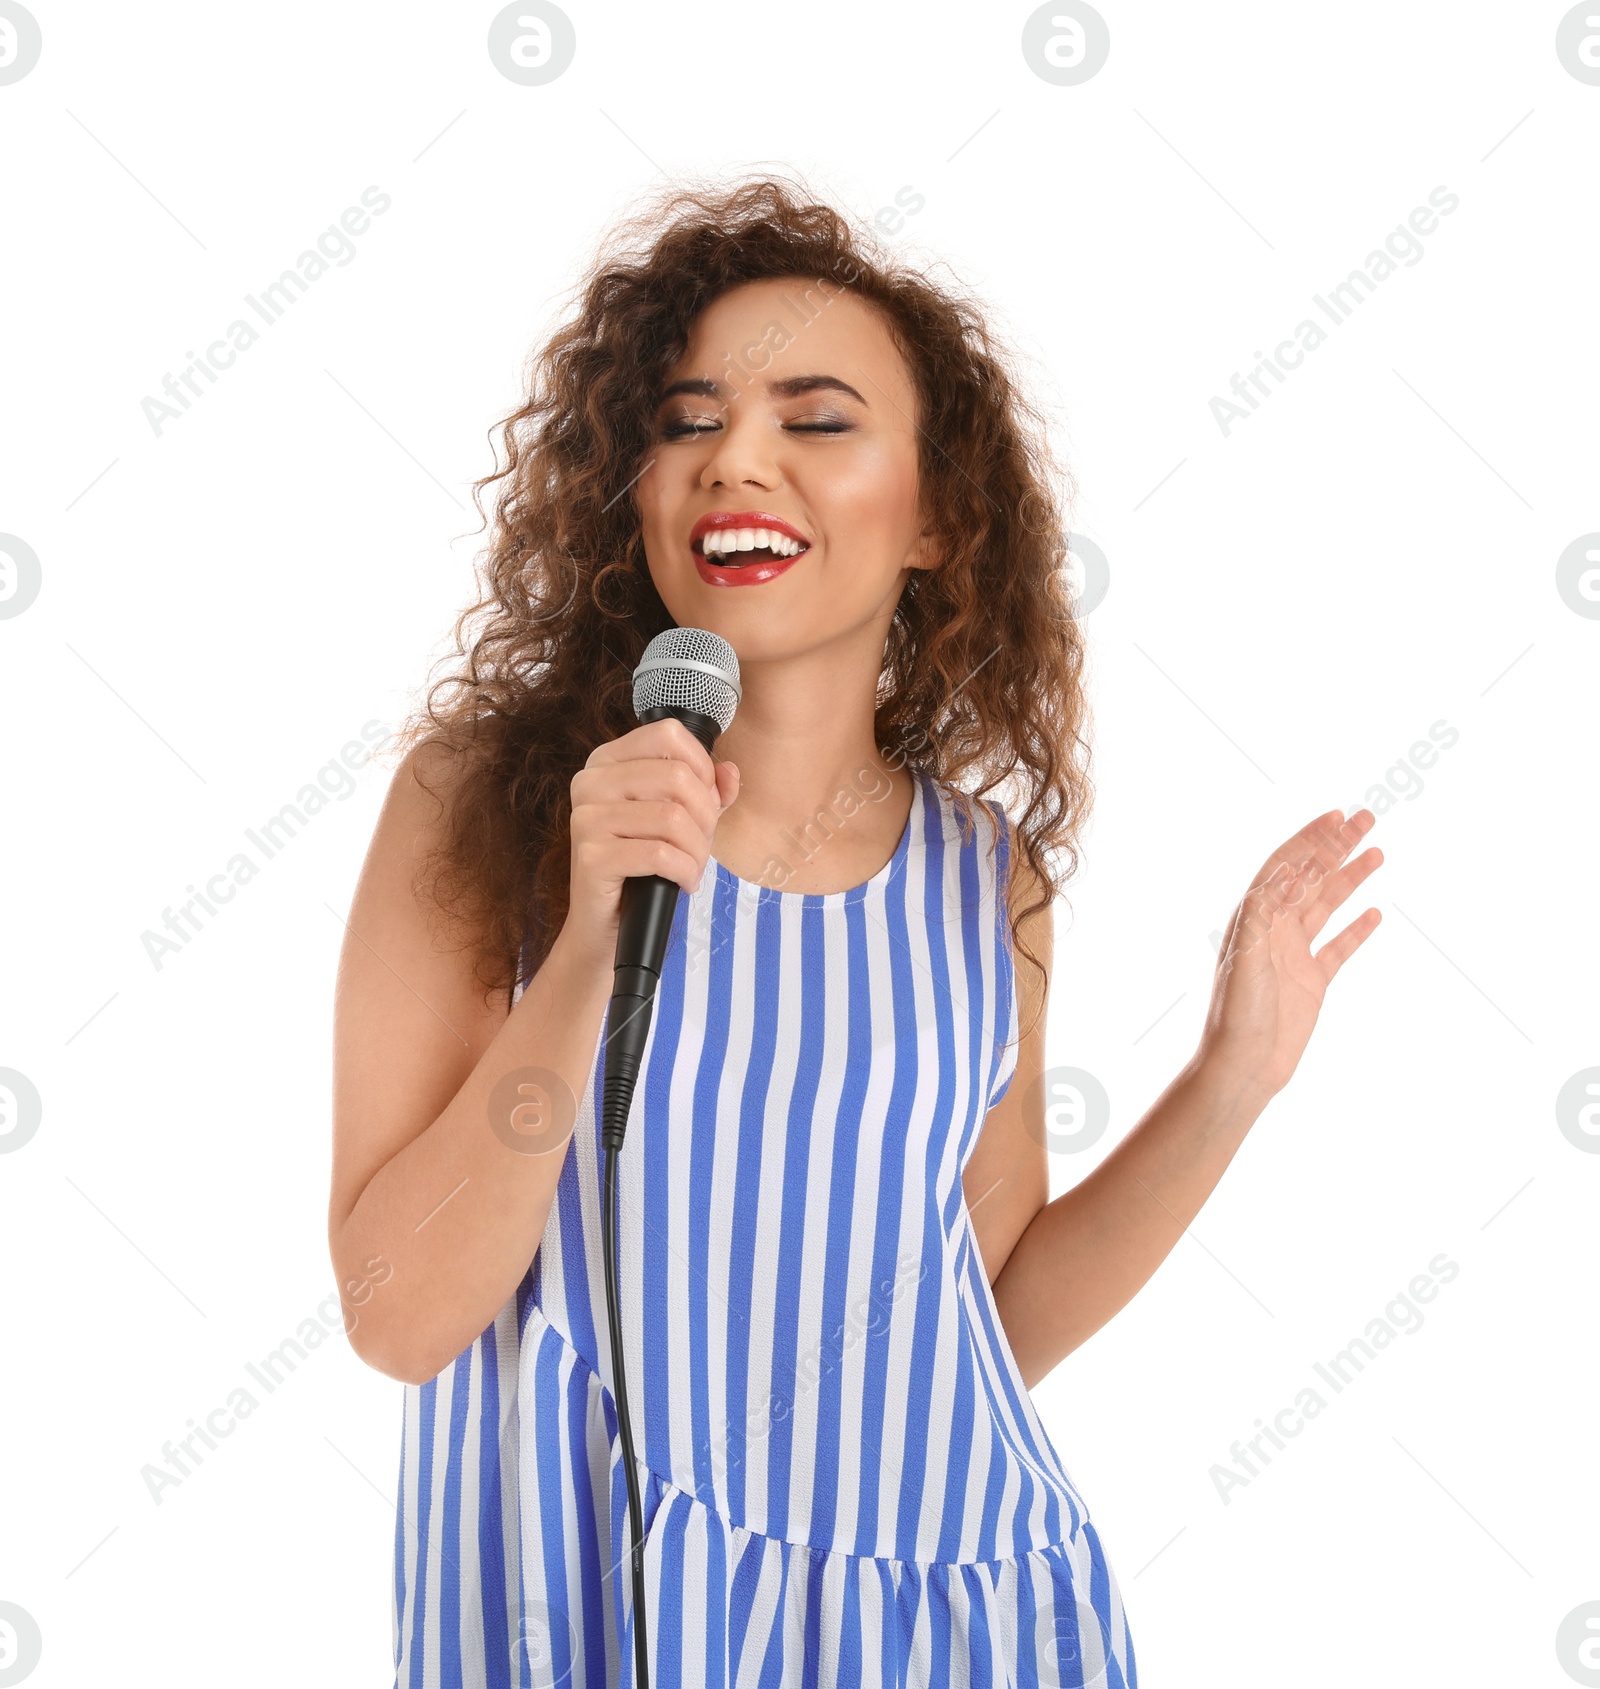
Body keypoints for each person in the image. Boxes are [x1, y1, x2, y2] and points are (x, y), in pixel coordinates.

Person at [328, 175, 1382, 1688]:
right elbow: (400, 1319)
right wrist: (586, 945)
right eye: (686, 420)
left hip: (953, 1614)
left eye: (815, 420)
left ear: (941, 516)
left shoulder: (985, 879)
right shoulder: (483, 804)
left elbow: (990, 1313)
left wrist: (1232, 1077)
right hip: (580, 1611)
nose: (736, 457)